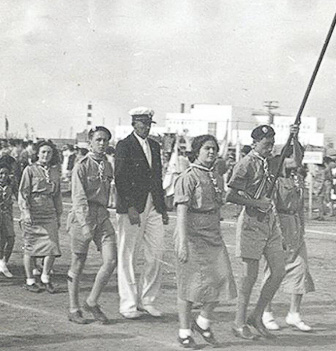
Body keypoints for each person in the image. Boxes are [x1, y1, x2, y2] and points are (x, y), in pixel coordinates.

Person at [225, 124, 295, 340]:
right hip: (251, 223)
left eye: (272, 144)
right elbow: (231, 195)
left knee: (279, 270)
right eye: (266, 144)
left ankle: (256, 315)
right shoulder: (245, 164)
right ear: (254, 143)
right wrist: (256, 202)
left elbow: (294, 160)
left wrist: (294, 135)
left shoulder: (272, 162)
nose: (270, 148)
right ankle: (238, 323)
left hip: (270, 223)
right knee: (249, 276)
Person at [174, 135, 237, 348]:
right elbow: (181, 211)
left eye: (214, 149)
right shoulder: (188, 177)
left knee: (222, 279)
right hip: (192, 234)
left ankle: (202, 322)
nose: (211, 152)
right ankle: (184, 331)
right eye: (207, 148)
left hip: (212, 233)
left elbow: (220, 205)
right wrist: (182, 241)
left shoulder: (216, 176)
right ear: (197, 151)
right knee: (190, 285)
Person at [114, 107, 169, 319]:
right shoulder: (124, 146)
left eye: (148, 123)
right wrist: (129, 207)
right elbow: (120, 178)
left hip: (153, 205)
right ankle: (128, 304)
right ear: (134, 124)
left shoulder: (154, 146)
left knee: (156, 254)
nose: (146, 127)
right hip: (132, 207)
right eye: (143, 123)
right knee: (128, 255)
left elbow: (157, 179)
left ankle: (148, 300)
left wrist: (162, 208)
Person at [262, 136, 314, 333]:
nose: (298, 161)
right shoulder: (274, 179)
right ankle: (266, 312)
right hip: (278, 226)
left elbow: (300, 207)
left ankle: (294, 313)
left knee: (301, 270)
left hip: (295, 226)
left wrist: (302, 228)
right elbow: (273, 207)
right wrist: (277, 233)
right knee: (273, 271)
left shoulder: (297, 178)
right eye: (292, 155)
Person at [67, 126, 118, 325]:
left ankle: (92, 301)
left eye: (105, 140)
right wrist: (85, 225)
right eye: (98, 140)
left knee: (111, 260)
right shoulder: (81, 165)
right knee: (78, 262)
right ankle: (73, 307)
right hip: (83, 217)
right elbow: (79, 199)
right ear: (90, 142)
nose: (102, 143)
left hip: (102, 216)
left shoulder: (107, 165)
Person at [18, 141, 63, 293]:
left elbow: (57, 195)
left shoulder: (55, 171)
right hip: (33, 211)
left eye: (49, 152)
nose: (46, 155)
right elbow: (23, 192)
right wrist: (25, 212)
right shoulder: (29, 170)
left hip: (49, 211)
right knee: (30, 247)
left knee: (52, 246)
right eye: (43, 152)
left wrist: (58, 214)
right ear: (37, 153)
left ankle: (45, 278)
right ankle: (30, 280)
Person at [0, 164, 16, 277]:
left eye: (6, 173)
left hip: (6, 216)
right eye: (1, 173)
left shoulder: (9, 187)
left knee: (11, 239)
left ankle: (4, 261)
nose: (3, 176)